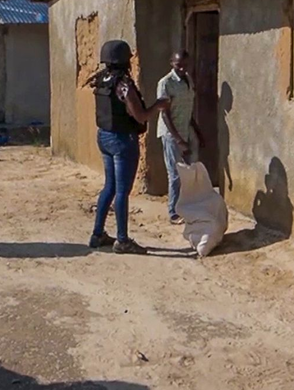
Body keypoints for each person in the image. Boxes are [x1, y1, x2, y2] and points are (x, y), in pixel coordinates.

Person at [87, 40, 168, 255]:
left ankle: (97, 234)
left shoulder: (101, 80)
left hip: (103, 136)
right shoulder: (123, 84)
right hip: (122, 140)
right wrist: (158, 106)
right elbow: (140, 115)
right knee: (122, 191)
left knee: (109, 187)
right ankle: (122, 240)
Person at [156, 50, 205, 224]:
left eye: (185, 65)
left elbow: (187, 109)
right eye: (178, 65)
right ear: (171, 63)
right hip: (171, 133)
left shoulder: (188, 81)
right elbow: (165, 114)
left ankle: (188, 205)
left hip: (186, 129)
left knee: (191, 170)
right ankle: (173, 212)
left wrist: (197, 131)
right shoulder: (166, 83)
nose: (182, 68)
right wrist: (178, 140)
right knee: (175, 173)